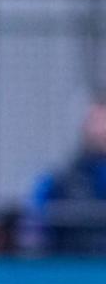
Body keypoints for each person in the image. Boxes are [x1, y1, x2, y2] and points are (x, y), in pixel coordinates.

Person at [19, 93, 106, 253]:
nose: (100, 130)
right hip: (73, 267)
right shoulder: (59, 180)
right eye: (96, 122)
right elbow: (33, 230)